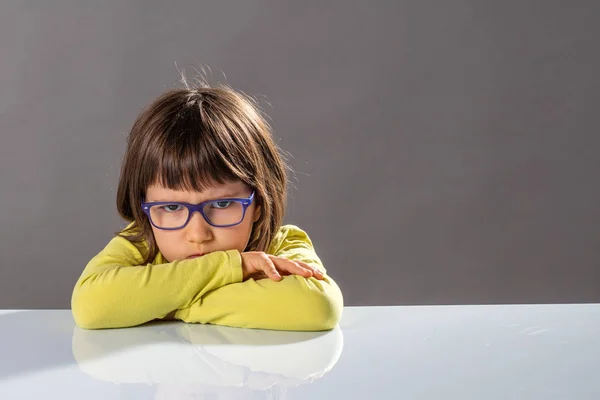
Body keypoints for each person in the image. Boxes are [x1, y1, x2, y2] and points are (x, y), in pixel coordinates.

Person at [71, 77, 343, 330]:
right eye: (172, 208)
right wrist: (235, 267)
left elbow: (318, 306)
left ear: (259, 202)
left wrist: (166, 304)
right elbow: (91, 307)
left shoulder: (282, 246)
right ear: (144, 204)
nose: (199, 234)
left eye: (223, 204)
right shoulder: (140, 244)